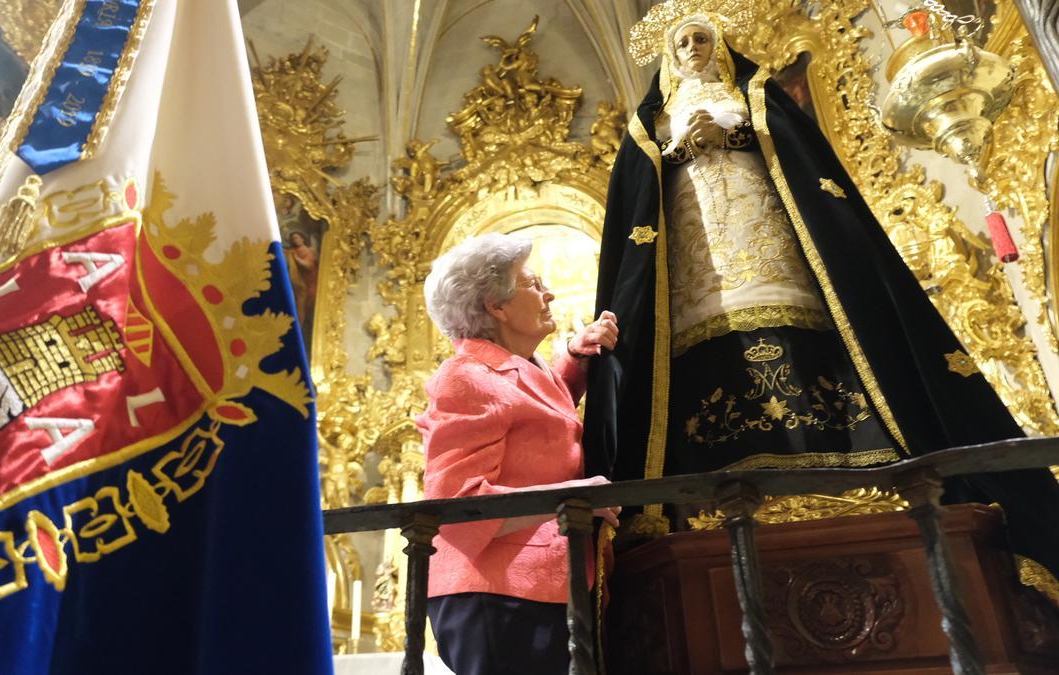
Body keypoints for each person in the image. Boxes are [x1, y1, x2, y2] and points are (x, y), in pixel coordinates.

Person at [582, 12, 1059, 576]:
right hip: (695, 260)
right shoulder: (650, 123)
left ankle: (857, 466)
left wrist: (734, 135)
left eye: (702, 38)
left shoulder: (757, 95)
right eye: (682, 41)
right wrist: (678, 151)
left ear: (720, 46)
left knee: (807, 315)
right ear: (666, 54)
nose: (692, 48)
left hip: (770, 239)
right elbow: (635, 206)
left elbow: (801, 161)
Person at [417, 232, 622, 675]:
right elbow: (457, 505)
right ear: (497, 306)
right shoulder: (465, 376)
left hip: (540, 583)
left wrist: (575, 359)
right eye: (534, 284)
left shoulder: (524, 367)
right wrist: (574, 496)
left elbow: (537, 421)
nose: (549, 293)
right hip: (497, 593)